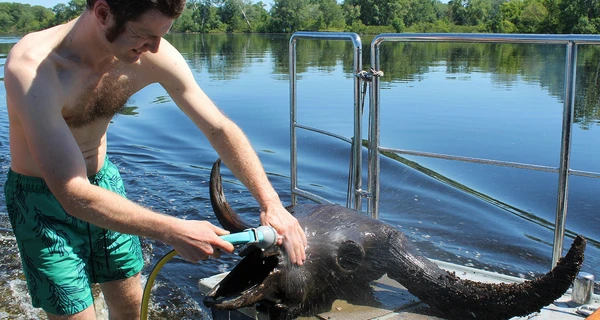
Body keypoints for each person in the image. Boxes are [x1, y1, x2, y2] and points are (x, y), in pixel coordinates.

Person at [3, 0, 307, 318]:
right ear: (104, 13)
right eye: (144, 35)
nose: (155, 47)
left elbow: (218, 128)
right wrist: (172, 229)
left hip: (104, 184)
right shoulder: (33, 69)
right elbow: (72, 192)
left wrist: (270, 202)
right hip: (43, 202)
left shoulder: (149, 53)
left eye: (162, 34)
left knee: (131, 304)